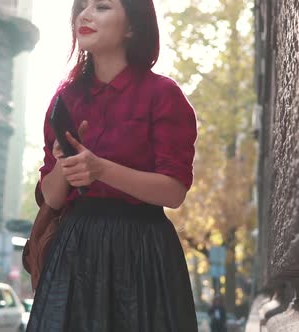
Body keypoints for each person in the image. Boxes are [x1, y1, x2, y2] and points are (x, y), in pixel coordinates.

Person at [26, 0, 198, 330]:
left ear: (132, 27)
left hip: (142, 250)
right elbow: (52, 198)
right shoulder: (65, 98)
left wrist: (100, 168)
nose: (85, 15)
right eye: (82, 6)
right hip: (75, 250)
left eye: (102, 6)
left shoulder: (162, 94)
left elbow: (173, 191)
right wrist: (65, 162)